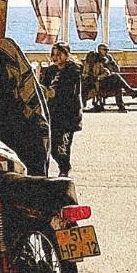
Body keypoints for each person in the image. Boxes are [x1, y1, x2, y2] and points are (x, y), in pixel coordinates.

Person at [40, 42, 83, 176]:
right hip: (52, 113)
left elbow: (72, 92)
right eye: (54, 54)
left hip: (68, 114)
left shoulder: (73, 70)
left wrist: (55, 93)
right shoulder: (50, 71)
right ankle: (64, 167)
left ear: (66, 54)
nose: (56, 57)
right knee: (52, 144)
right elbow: (42, 86)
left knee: (63, 144)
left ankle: (65, 168)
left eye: (59, 54)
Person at [85, 43, 134, 112]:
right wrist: (100, 76)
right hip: (100, 82)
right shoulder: (96, 58)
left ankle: (121, 107)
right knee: (116, 76)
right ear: (99, 50)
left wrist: (111, 62)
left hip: (109, 81)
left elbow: (117, 69)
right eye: (104, 50)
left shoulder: (108, 57)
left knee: (118, 85)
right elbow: (101, 72)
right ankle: (130, 92)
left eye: (107, 50)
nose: (106, 51)